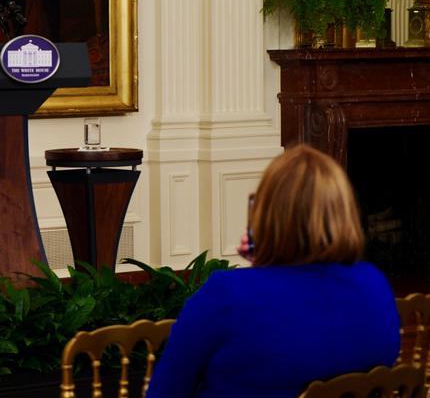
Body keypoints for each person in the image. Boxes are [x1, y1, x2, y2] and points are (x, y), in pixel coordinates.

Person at [146, 144, 401, 398]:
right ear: (344, 212)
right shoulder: (374, 283)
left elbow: (165, 390)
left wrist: (261, 275)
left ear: (264, 214)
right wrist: (266, 269)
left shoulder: (226, 296)